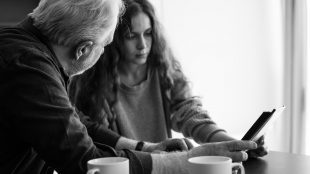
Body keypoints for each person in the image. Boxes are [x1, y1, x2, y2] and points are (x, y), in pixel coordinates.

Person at [0, 0, 257, 174]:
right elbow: (86, 162)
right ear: (83, 50)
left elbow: (75, 124)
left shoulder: (21, 50)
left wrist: (146, 148)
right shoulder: (29, 68)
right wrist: (189, 164)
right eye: (106, 44)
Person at [69, 0, 266, 160]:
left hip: (166, 167)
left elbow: (191, 115)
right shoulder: (94, 80)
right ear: (114, 39)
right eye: (131, 36)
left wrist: (232, 143)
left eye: (148, 34)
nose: (142, 45)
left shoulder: (163, 69)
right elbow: (95, 137)